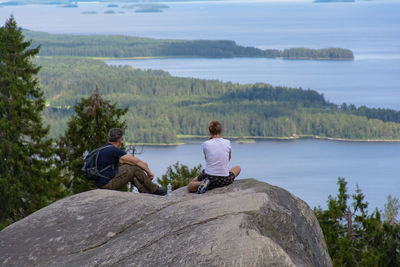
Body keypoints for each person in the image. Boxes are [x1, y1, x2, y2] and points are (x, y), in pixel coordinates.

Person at [95, 128, 167, 195]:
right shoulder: (113, 150)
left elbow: (125, 161)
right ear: (120, 140)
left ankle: (145, 191)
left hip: (101, 183)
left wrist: (142, 165)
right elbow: (136, 161)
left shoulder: (104, 148)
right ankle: (155, 189)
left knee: (130, 170)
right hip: (107, 185)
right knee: (133, 169)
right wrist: (149, 172)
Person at [188, 120, 241, 194]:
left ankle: (203, 183)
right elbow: (228, 159)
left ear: (210, 132)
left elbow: (207, 159)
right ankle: (211, 183)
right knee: (237, 168)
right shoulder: (227, 142)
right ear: (221, 131)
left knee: (191, 185)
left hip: (209, 176)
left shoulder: (205, 144)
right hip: (224, 179)